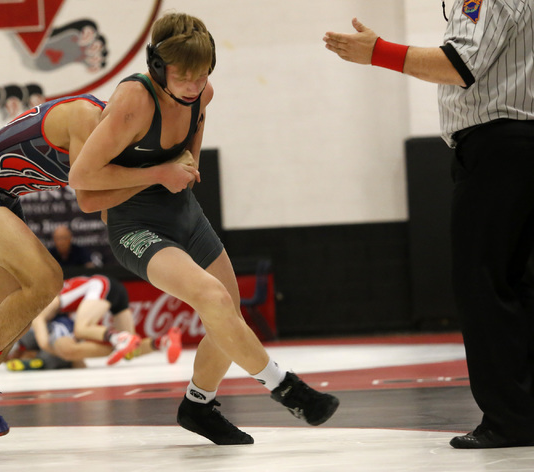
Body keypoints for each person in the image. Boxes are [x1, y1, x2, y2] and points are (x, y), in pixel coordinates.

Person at [69, 12, 340, 446]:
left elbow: (193, 133)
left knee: (226, 311)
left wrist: (185, 163)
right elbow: (81, 180)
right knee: (212, 298)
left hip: (184, 213)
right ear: (158, 66)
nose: (194, 86)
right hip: (135, 224)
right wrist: (159, 172)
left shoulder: (202, 92)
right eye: (184, 76)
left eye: (202, 75)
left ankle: (198, 405)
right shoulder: (134, 102)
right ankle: (287, 388)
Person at [0, 68, 199, 454]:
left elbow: (108, 211)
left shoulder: (113, 135)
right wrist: (158, 174)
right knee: (48, 280)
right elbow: (88, 198)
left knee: (10, 322)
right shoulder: (88, 116)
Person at [323, 2, 534, 449]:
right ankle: (523, 412)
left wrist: (378, 52)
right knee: (517, 284)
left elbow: (459, 65)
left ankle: (512, 420)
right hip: (519, 144)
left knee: (484, 283)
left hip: (499, 145)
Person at [6, 274, 182, 370]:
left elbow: (44, 342)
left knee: (82, 329)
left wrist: (63, 355)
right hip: (114, 288)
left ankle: (119, 339)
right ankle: (163, 341)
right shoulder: (54, 294)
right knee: (131, 350)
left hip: (101, 285)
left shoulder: (42, 308)